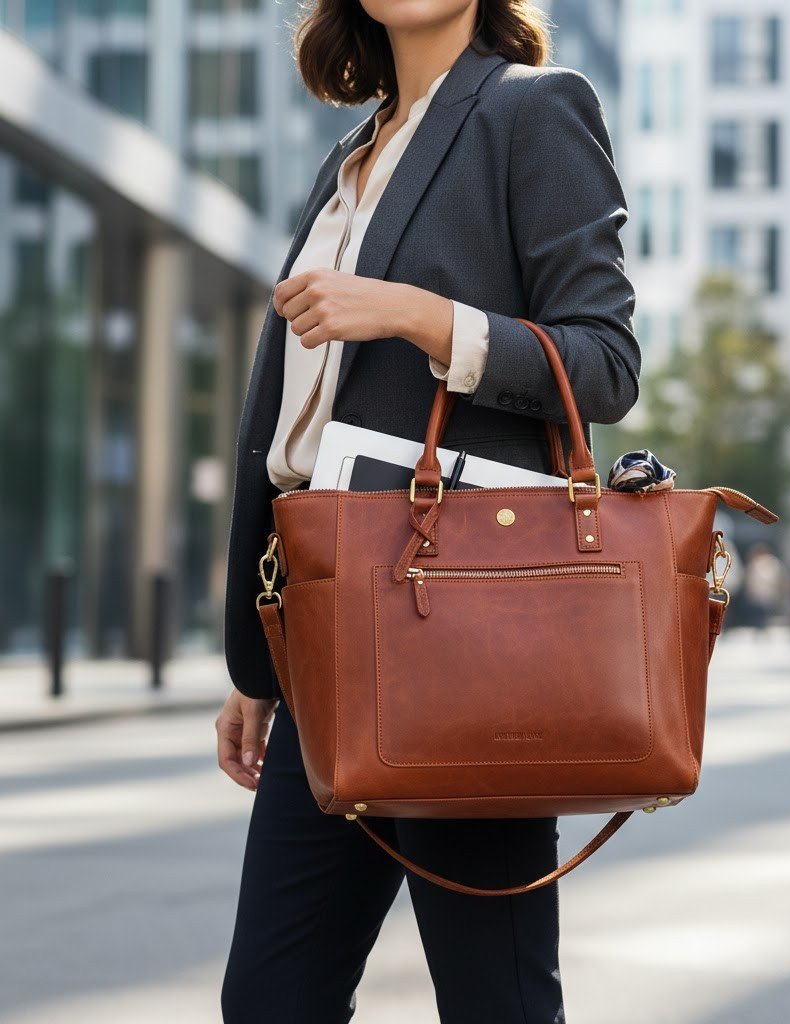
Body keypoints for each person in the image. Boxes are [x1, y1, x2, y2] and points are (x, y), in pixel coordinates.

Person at [214, 3, 640, 1022]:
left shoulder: (533, 110)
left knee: (495, 1000)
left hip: (461, 633)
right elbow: (290, 433)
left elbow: (605, 363)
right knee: (271, 999)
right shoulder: (350, 158)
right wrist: (258, 666)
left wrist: (418, 315)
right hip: (326, 634)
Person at [743, 542, 783, 634]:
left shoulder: (771, 562)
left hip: (768, 593)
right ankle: (759, 628)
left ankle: (763, 628)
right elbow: (750, 579)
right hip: (758, 593)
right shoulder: (754, 562)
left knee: (765, 612)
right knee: (758, 612)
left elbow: (776, 578)